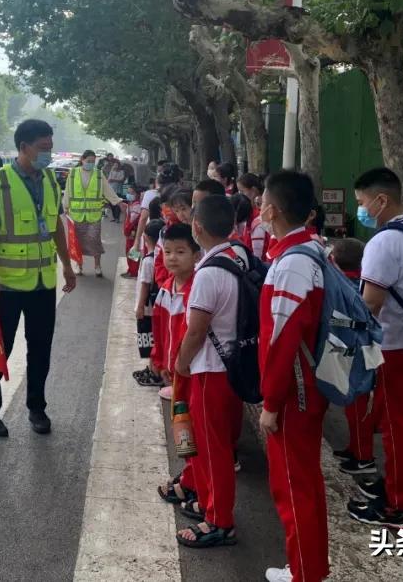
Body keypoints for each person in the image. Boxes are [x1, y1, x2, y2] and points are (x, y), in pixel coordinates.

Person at [0, 119, 77, 438]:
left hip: (42, 284)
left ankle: (37, 407)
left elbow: (56, 225)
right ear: (24, 147)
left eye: (49, 147)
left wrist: (68, 265)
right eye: (43, 148)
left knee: (41, 348)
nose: (47, 154)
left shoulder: (48, 179)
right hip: (6, 284)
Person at [258, 170, 330, 582]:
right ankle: (309, 567)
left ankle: (304, 574)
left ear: (273, 208)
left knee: (292, 486)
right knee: (305, 481)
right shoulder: (308, 248)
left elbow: (281, 340)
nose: (259, 210)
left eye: (263, 202)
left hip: (295, 393)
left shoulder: (293, 264)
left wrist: (271, 402)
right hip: (306, 386)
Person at [346, 168, 403, 529]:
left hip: (393, 344)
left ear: (381, 200)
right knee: (394, 418)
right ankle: (395, 488)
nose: (361, 210)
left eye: (363, 203)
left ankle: (399, 506)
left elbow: (372, 303)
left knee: (396, 425)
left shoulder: (383, 242)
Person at [173, 196, 248, 549]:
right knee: (214, 445)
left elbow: (197, 330)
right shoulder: (239, 256)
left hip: (210, 370)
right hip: (232, 364)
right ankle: (206, 501)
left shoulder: (208, 272)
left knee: (211, 448)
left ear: (196, 227)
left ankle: (219, 521)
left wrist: (182, 363)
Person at [152, 224, 201, 511]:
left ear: (196, 255)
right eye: (168, 252)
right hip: (175, 375)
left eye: (180, 252)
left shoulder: (196, 289)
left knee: (191, 429)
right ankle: (190, 475)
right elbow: (159, 328)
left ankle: (193, 481)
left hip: (193, 375)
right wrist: (159, 361)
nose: (172, 258)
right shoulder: (166, 289)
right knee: (182, 428)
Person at [327, 237, 374, 476]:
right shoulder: (360, 284)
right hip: (362, 350)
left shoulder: (347, 288)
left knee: (358, 407)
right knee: (355, 405)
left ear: (334, 261)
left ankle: (364, 456)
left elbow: (350, 322)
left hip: (356, 351)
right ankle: (355, 448)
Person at [63, 150, 122, 277]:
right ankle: (79, 265)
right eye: (88, 161)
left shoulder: (99, 174)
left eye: (93, 161)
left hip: (94, 215)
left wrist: (118, 202)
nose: (91, 163)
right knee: (77, 242)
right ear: (82, 160)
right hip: (76, 215)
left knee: (94, 240)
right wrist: (65, 206)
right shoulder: (73, 174)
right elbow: (68, 192)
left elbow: (108, 191)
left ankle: (97, 266)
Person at [133, 219, 167, 388]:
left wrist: (139, 307)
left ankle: (155, 372)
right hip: (156, 306)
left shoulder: (148, 260)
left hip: (147, 308)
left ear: (145, 238)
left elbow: (145, 284)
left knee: (148, 341)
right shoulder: (160, 257)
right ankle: (153, 369)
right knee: (155, 340)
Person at [106, 155, 127, 222]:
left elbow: (121, 180)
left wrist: (113, 179)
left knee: (118, 204)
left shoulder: (122, 172)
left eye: (116, 165)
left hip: (118, 190)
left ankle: (117, 218)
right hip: (111, 190)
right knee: (111, 204)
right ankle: (114, 217)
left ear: (119, 165)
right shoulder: (111, 172)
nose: (115, 166)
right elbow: (108, 180)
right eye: (114, 165)